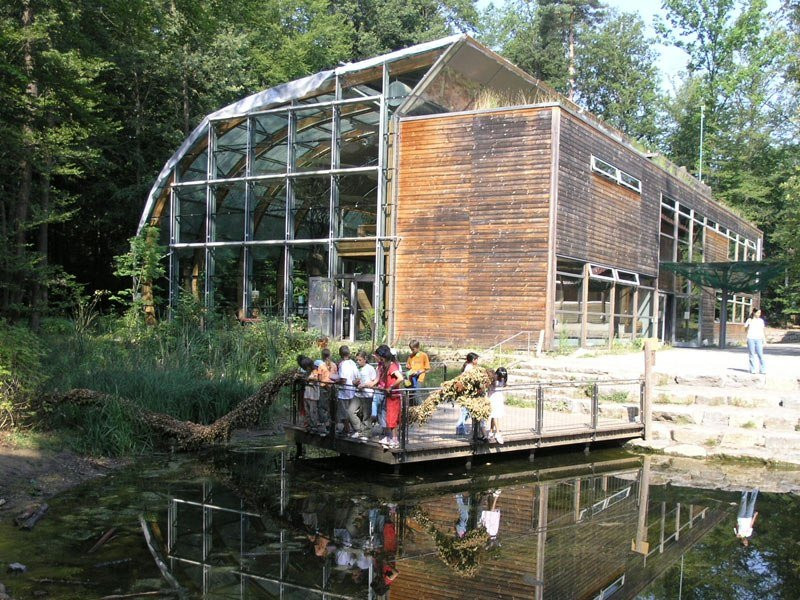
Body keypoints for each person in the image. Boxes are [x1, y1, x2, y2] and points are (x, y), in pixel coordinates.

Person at [374, 345, 403, 448]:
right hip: (389, 396)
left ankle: (394, 439)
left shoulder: (391, 366)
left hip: (394, 396)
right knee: (389, 416)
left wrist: (391, 387)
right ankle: (390, 437)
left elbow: (400, 378)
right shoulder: (385, 366)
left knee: (392, 417)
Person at [336, 346, 361, 437]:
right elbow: (358, 378)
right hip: (352, 391)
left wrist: (336, 381)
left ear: (340, 354)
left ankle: (347, 429)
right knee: (351, 411)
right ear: (349, 353)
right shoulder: (353, 363)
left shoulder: (342, 365)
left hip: (344, 392)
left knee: (344, 411)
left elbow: (343, 380)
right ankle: (351, 429)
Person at [355, 350, 379, 438]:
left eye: (359, 360)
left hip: (367, 394)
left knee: (366, 414)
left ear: (365, 359)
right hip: (358, 394)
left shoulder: (370, 368)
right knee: (353, 411)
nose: (358, 362)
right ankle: (360, 429)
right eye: (357, 360)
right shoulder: (357, 368)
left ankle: (367, 432)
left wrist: (365, 385)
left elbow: (374, 381)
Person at [455, 353, 479, 436]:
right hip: (467, 393)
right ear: (473, 360)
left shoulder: (468, 367)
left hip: (468, 393)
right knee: (465, 411)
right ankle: (460, 428)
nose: (477, 361)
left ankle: (460, 428)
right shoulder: (470, 368)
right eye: (476, 359)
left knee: (466, 411)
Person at [406, 340, 431, 406]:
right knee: (411, 392)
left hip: (420, 377)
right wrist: (408, 368)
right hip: (412, 377)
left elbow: (427, 368)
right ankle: (411, 408)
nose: (412, 351)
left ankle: (421, 407)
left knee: (417, 392)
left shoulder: (423, 355)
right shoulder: (411, 356)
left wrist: (419, 372)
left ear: (417, 348)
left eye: (413, 349)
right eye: (411, 349)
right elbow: (408, 365)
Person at [488, 367, 507, 444]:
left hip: (499, 399)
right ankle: (498, 433)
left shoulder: (502, 380)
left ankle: (491, 431)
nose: (502, 377)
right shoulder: (493, 381)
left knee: (494, 416)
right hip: (493, 399)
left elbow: (504, 384)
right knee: (495, 416)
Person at [744, 308, 766, 375]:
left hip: (759, 339)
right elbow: (745, 329)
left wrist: (764, 340)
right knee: (751, 354)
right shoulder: (749, 320)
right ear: (754, 313)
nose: (759, 314)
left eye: (760, 313)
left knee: (760, 354)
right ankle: (752, 369)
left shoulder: (761, 321)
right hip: (751, 338)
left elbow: (762, 331)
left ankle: (762, 369)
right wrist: (747, 336)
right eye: (758, 313)